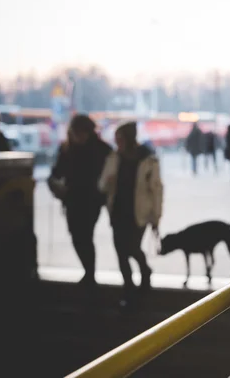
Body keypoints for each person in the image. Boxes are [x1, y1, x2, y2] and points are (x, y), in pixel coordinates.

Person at [98, 122, 163, 307]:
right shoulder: (114, 158)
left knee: (132, 248)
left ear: (128, 139)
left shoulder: (148, 160)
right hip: (117, 212)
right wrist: (107, 182)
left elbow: (156, 190)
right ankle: (128, 289)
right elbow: (102, 185)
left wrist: (155, 217)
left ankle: (144, 272)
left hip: (139, 214)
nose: (117, 142)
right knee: (121, 252)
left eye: (119, 139)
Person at [47, 115, 112, 288]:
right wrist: (55, 187)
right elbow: (56, 173)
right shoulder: (67, 149)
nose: (79, 136)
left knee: (85, 235)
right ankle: (88, 271)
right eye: (76, 133)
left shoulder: (101, 149)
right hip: (72, 199)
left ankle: (90, 274)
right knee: (76, 236)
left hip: (92, 200)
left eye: (82, 133)